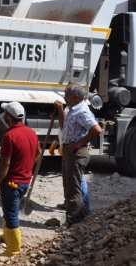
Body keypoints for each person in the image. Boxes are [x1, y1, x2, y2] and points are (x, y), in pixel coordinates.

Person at [0, 101, 40, 257]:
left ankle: (13, 250)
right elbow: (38, 153)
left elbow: (5, 163)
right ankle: (7, 236)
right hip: (24, 181)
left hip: (11, 183)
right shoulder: (31, 132)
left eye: (5, 113)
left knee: (11, 214)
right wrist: (26, 166)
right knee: (7, 210)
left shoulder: (9, 135)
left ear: (8, 116)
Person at [54, 83, 103, 226]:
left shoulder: (82, 112)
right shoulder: (71, 109)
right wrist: (60, 110)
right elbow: (63, 128)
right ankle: (80, 217)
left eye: (66, 94)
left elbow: (97, 129)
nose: (64, 96)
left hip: (77, 153)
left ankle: (73, 222)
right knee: (69, 185)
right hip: (69, 151)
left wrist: (80, 143)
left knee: (73, 189)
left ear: (75, 96)